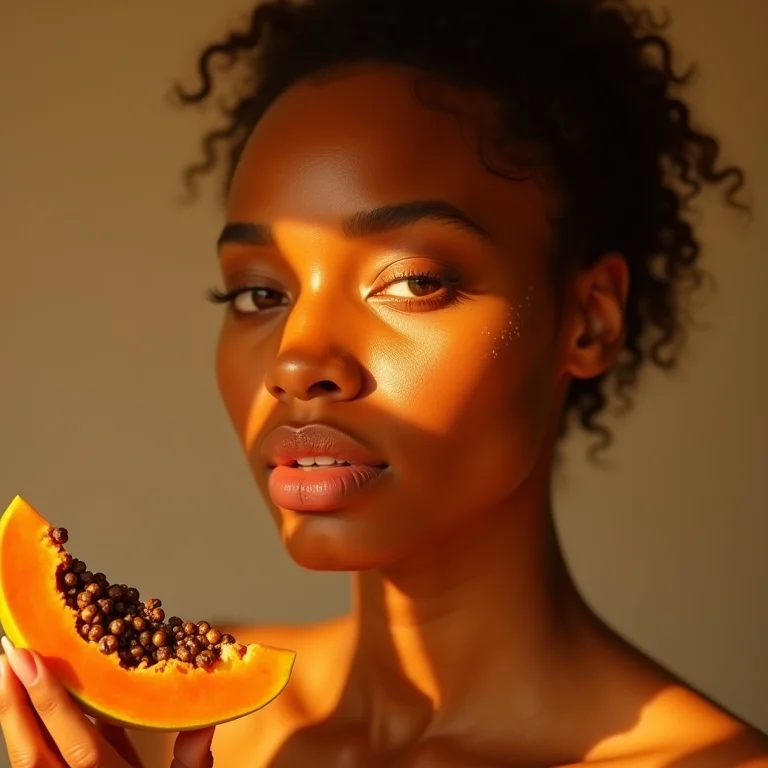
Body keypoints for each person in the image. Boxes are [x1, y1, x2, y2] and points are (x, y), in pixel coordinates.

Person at [1, 0, 766, 765]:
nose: (297, 360)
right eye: (258, 293)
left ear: (588, 321)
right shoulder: (150, 736)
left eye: (414, 282)